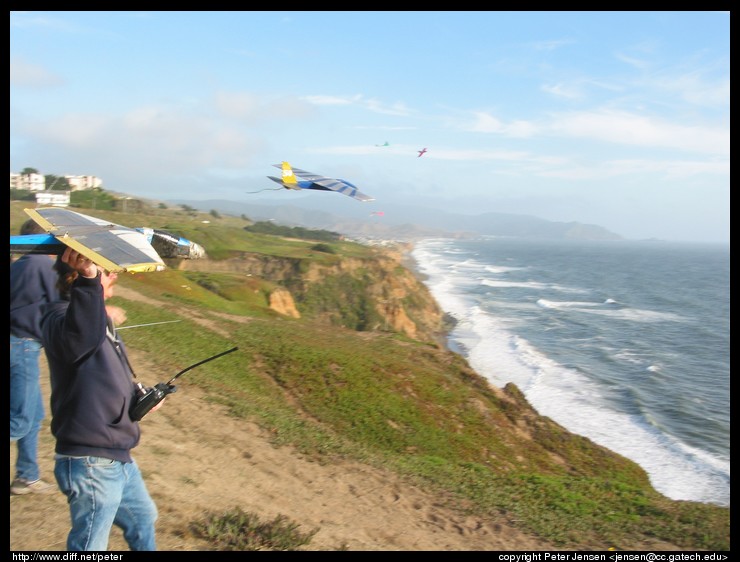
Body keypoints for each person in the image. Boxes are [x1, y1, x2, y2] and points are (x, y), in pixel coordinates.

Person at [40, 247, 160, 551]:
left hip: (117, 454)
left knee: (143, 518)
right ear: (77, 272)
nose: (114, 274)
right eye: (107, 269)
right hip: (91, 460)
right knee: (90, 547)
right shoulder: (59, 317)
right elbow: (79, 342)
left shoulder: (98, 321)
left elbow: (107, 371)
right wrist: (89, 277)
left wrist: (138, 396)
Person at [10, 219, 59, 495]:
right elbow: (60, 302)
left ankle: (26, 476)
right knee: (20, 419)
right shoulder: (43, 266)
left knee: (35, 414)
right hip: (23, 346)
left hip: (19, 345)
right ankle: (26, 476)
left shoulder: (18, 265)